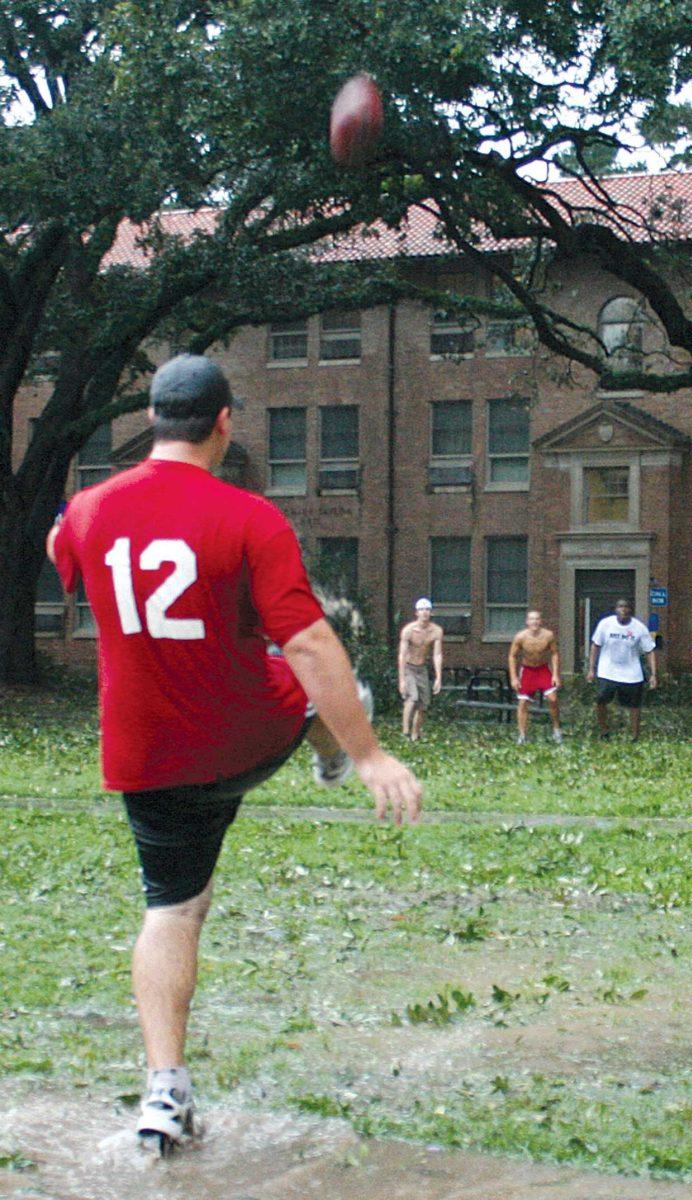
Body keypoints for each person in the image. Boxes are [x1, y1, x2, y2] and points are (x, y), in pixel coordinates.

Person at [47, 354, 422, 1155]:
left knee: (172, 909)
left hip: (148, 754)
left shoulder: (87, 511)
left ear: (152, 419)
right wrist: (368, 755)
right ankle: (322, 752)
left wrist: (75, 528)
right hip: (249, 736)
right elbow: (313, 640)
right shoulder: (252, 519)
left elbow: (61, 549)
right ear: (224, 423)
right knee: (294, 671)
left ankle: (164, 1092)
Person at [586, 597, 658, 740]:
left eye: (626, 607)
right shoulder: (605, 624)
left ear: (631, 610)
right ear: (615, 609)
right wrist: (591, 669)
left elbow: (650, 651)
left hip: (632, 673)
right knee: (601, 699)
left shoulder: (639, 628)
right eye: (620, 607)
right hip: (608, 671)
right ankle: (604, 731)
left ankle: (635, 736)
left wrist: (653, 674)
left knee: (635, 705)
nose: (623, 610)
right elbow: (595, 645)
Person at [508, 610, 563, 744]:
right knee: (522, 703)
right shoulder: (520, 637)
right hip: (528, 671)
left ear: (541, 621)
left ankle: (556, 729)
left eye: (537, 619)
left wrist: (555, 674)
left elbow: (555, 653)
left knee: (553, 698)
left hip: (543, 669)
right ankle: (522, 735)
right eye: (532, 619)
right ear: (527, 622)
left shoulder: (548, 635)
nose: (534, 622)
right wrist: (514, 677)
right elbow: (512, 656)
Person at [398, 598, 443, 741]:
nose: (425, 612)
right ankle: (405, 730)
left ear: (431, 612)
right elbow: (402, 655)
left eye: (428, 610)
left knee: (423, 704)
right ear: (416, 612)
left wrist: (438, 677)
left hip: (422, 668)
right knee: (412, 698)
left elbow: (437, 654)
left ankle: (415, 733)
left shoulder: (436, 631)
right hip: (409, 667)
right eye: (422, 610)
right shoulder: (408, 631)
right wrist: (402, 680)